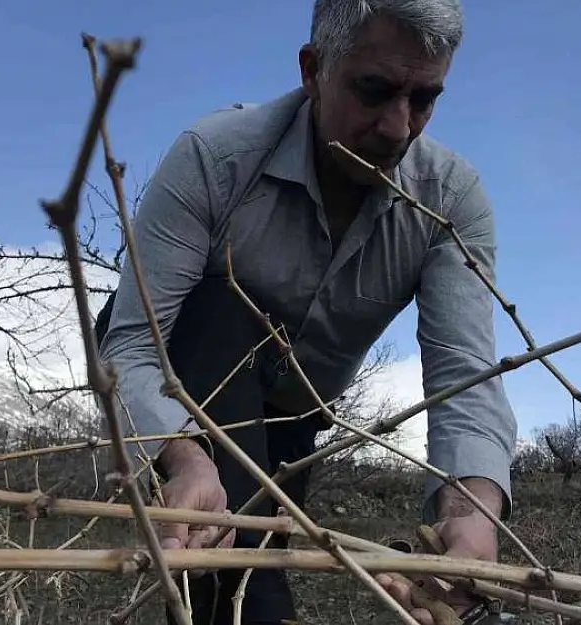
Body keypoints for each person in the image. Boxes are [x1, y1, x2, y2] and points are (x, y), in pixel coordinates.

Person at [96, 1, 518, 623]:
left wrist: (470, 514)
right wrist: (181, 458)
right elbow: (132, 342)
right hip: (185, 394)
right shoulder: (214, 159)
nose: (399, 127)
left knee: (258, 567)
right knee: (229, 575)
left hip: (299, 421)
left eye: (425, 99)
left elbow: (464, 373)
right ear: (313, 68)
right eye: (374, 91)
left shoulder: (450, 201)